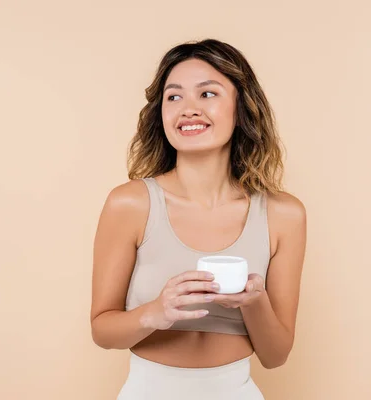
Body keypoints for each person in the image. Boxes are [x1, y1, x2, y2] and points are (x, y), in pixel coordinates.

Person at [90, 39, 307, 399]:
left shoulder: (284, 215)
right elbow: (102, 331)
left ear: (242, 108)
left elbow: (276, 355)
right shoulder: (129, 203)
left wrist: (253, 300)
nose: (188, 109)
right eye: (173, 97)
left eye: (207, 94)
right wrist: (155, 312)